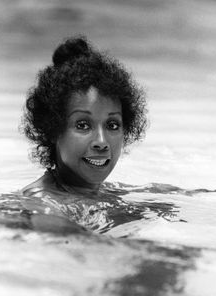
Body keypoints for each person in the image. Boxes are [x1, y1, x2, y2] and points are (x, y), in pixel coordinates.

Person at [21, 36, 147, 232]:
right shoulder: (42, 205)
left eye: (112, 125)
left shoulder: (102, 192)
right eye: (82, 125)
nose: (101, 142)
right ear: (53, 129)